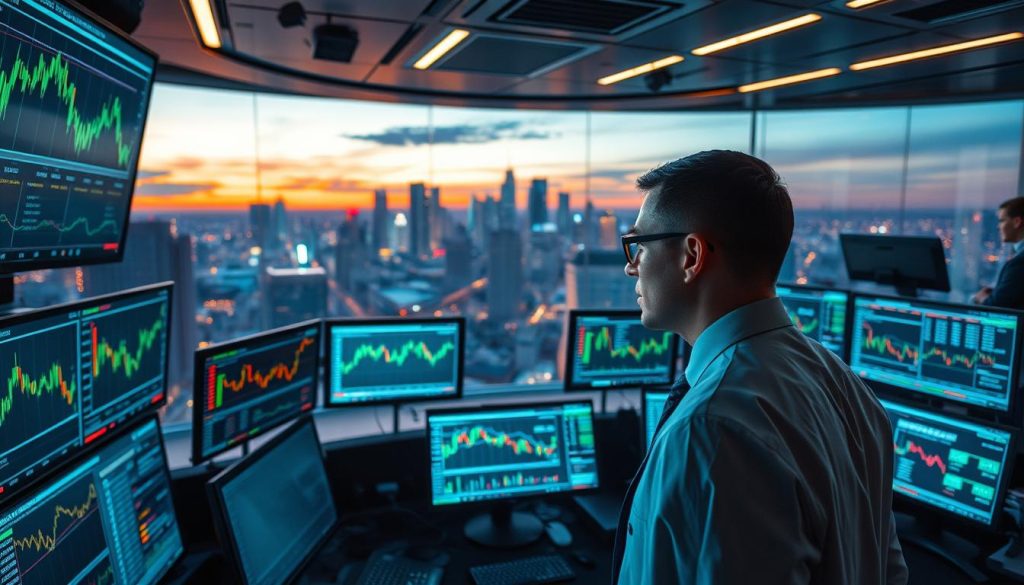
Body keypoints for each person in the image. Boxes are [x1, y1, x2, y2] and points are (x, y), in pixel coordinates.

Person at [612, 150, 908, 584]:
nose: (629, 265)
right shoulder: (843, 382)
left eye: (639, 245)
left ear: (692, 255)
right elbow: (890, 569)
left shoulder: (712, 428)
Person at [972, 197, 1024, 308]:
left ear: (1017, 222)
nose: (998, 227)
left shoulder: (1019, 263)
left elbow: (996, 305)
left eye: (1002, 221)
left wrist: (980, 298)